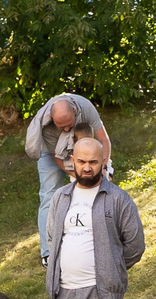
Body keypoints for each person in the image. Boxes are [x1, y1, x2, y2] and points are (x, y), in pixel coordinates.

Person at [45, 137, 147, 299]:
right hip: (63, 293)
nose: (87, 167)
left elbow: (135, 245)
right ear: (72, 161)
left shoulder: (118, 198)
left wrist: (111, 268)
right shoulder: (61, 197)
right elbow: (52, 237)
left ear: (104, 162)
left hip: (101, 293)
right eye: (81, 161)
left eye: (93, 162)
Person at [25, 92, 112, 241]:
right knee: (49, 196)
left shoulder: (85, 108)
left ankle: (99, 237)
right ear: (52, 119)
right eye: (61, 126)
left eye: (69, 125)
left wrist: (101, 168)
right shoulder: (46, 125)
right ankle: (49, 252)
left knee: (100, 190)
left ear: (74, 111)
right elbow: (57, 158)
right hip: (52, 152)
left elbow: (103, 140)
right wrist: (78, 175)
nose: (66, 129)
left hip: (84, 148)